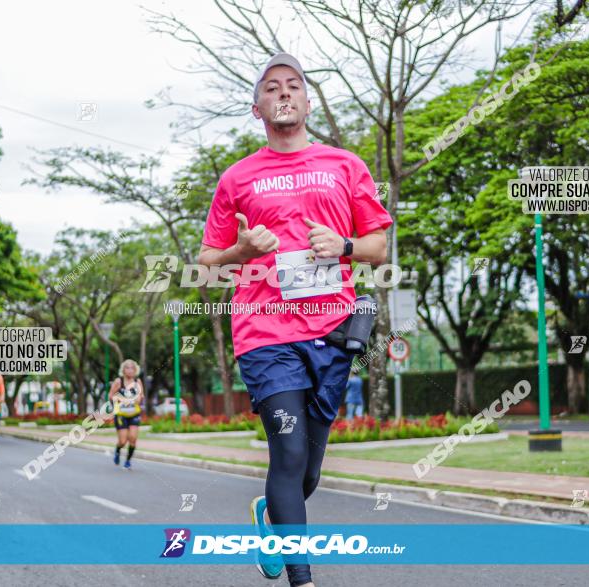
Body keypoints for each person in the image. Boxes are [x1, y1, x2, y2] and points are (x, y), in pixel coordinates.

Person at [197, 53, 392, 587]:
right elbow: (206, 262)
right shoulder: (236, 178)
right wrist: (239, 249)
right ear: (257, 106)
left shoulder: (346, 165)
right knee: (286, 451)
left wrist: (345, 245)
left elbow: (378, 245)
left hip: (332, 334)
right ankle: (303, 580)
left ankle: (271, 516)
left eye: (294, 86)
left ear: (306, 100)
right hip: (264, 334)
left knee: (305, 473)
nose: (284, 93)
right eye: (272, 88)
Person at [109, 359, 144, 469]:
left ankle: (128, 461)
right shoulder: (118, 381)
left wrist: (138, 398)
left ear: (135, 370)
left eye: (132, 368)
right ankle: (118, 450)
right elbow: (110, 396)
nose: (129, 370)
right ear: (123, 370)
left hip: (134, 414)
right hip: (121, 414)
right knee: (123, 441)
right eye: (127, 368)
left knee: (133, 439)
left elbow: (140, 396)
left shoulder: (138, 382)